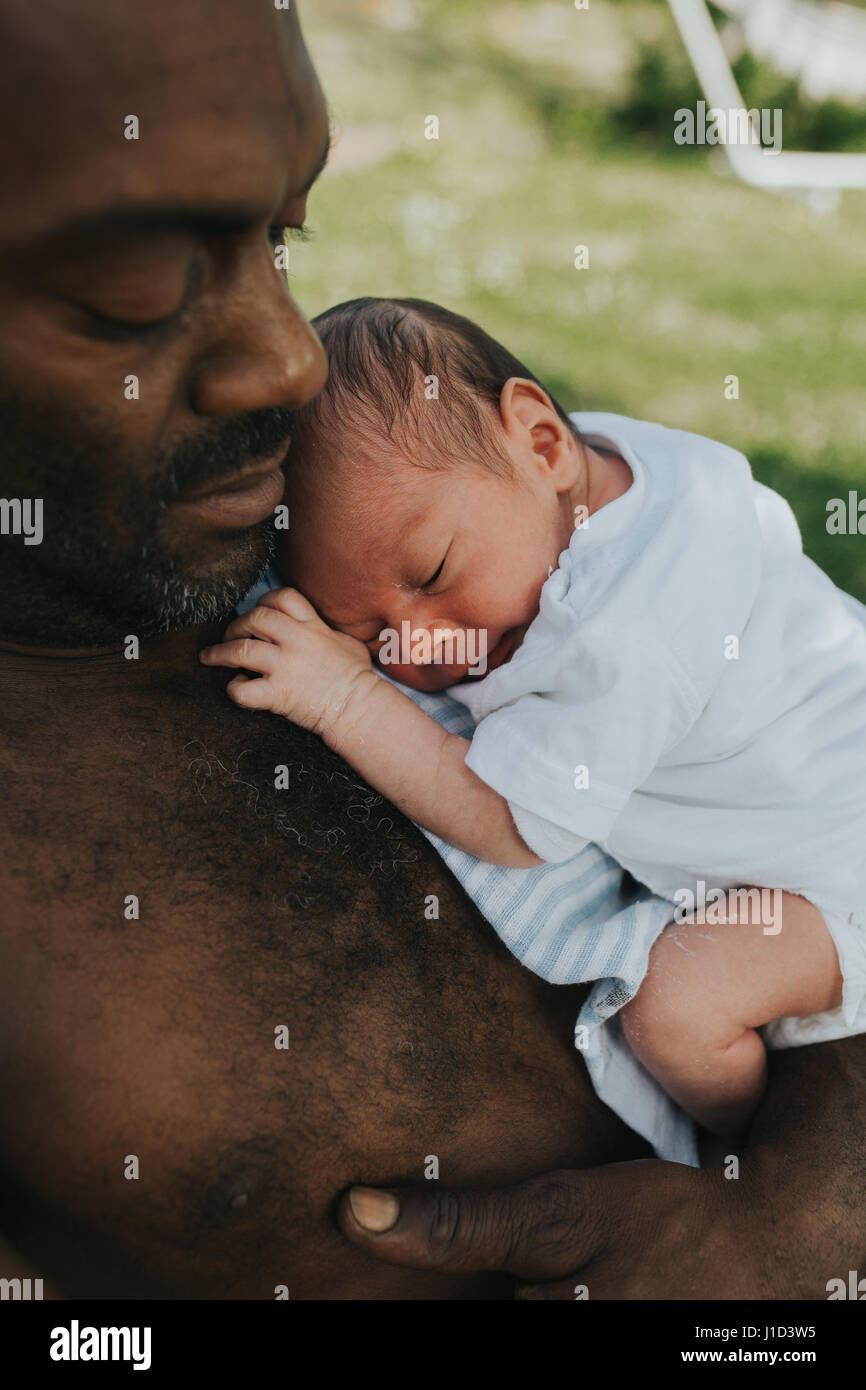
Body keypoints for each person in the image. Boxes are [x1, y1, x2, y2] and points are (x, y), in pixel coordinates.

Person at [0, 0, 864, 1301]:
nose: (286, 362)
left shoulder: (332, 520)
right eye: (134, 289)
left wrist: (796, 1227)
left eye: (283, 235)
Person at [203, 296, 866, 1139]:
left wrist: (345, 694)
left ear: (544, 442)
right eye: (365, 637)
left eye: (433, 570)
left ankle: (754, 1162)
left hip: (840, 875)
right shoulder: (596, 472)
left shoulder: (622, 636)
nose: (422, 644)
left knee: (677, 1009)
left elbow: (512, 825)